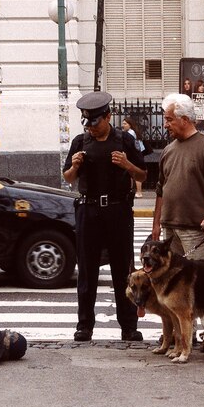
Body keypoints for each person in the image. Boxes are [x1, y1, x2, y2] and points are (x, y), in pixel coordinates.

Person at [151, 93, 204, 353]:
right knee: (172, 285)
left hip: (196, 229)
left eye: (169, 119)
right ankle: (182, 335)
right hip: (170, 229)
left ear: (185, 119)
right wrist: (156, 225)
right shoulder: (168, 150)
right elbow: (161, 190)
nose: (166, 124)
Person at [63, 91, 147, 342]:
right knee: (87, 270)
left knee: (123, 268)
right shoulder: (80, 142)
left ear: (108, 117)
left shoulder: (124, 141)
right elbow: (68, 178)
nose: (91, 128)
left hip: (118, 210)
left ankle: (128, 326)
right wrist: (75, 167)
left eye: (95, 123)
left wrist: (126, 166)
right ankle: (84, 325)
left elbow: (142, 175)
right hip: (88, 210)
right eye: (87, 123)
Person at [121, 116, 145, 197]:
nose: (123, 125)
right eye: (123, 124)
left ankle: (139, 192)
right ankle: (132, 190)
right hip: (136, 154)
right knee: (131, 173)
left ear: (130, 125)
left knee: (134, 173)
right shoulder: (133, 132)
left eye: (125, 124)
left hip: (134, 156)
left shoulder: (130, 133)